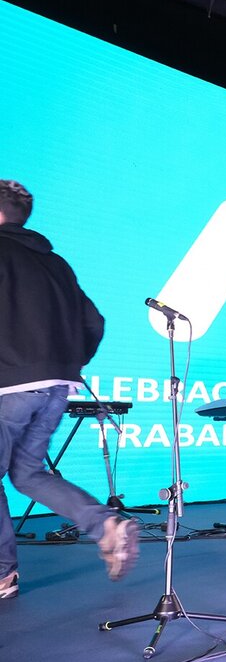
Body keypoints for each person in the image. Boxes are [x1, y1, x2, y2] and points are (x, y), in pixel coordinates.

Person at [0, 179, 139, 598]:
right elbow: (94, 322)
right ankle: (106, 524)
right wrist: (68, 364)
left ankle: (3, 573)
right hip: (57, 386)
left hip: (8, 385)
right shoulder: (56, 263)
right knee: (27, 473)